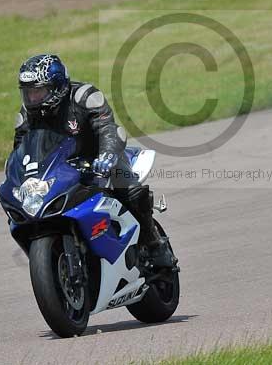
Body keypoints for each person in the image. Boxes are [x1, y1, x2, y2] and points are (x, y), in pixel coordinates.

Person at [13, 54, 176, 269]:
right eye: (28, 92)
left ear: (58, 86)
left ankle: (155, 244)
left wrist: (107, 155)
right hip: (62, 169)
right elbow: (20, 149)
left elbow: (108, 129)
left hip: (100, 158)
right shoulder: (27, 114)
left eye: (38, 91)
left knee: (128, 188)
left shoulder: (84, 97)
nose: (32, 98)